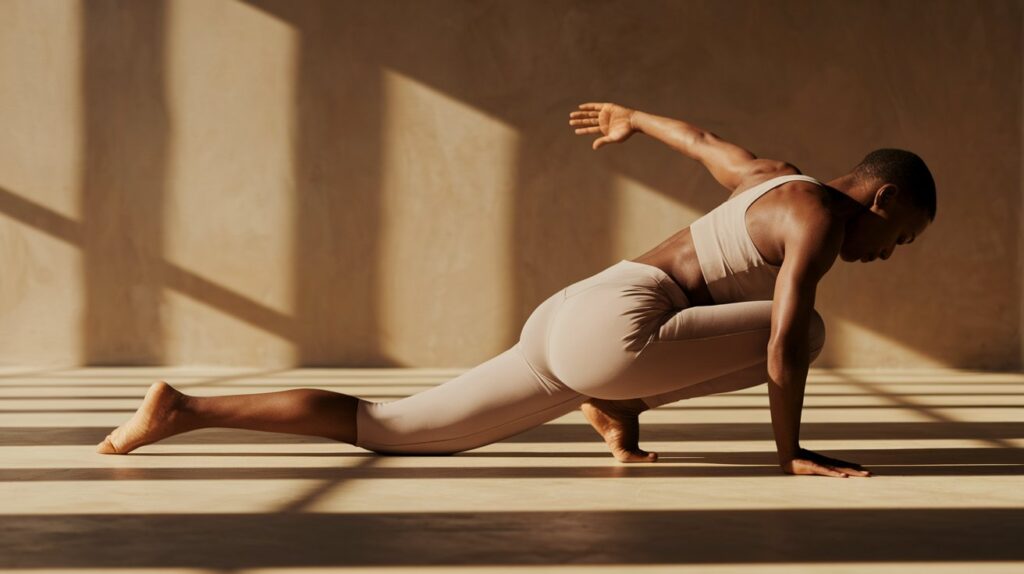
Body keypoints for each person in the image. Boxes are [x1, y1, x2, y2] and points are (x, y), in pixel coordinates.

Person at [97, 102, 935, 478]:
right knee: (814, 332)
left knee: (387, 428)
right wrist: (790, 453)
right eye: (899, 241)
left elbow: (702, 142)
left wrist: (635, 118)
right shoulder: (819, 220)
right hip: (618, 332)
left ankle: (186, 410)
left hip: (581, 305)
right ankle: (613, 400)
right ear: (884, 200)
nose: (887, 256)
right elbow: (784, 341)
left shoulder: (772, 179)